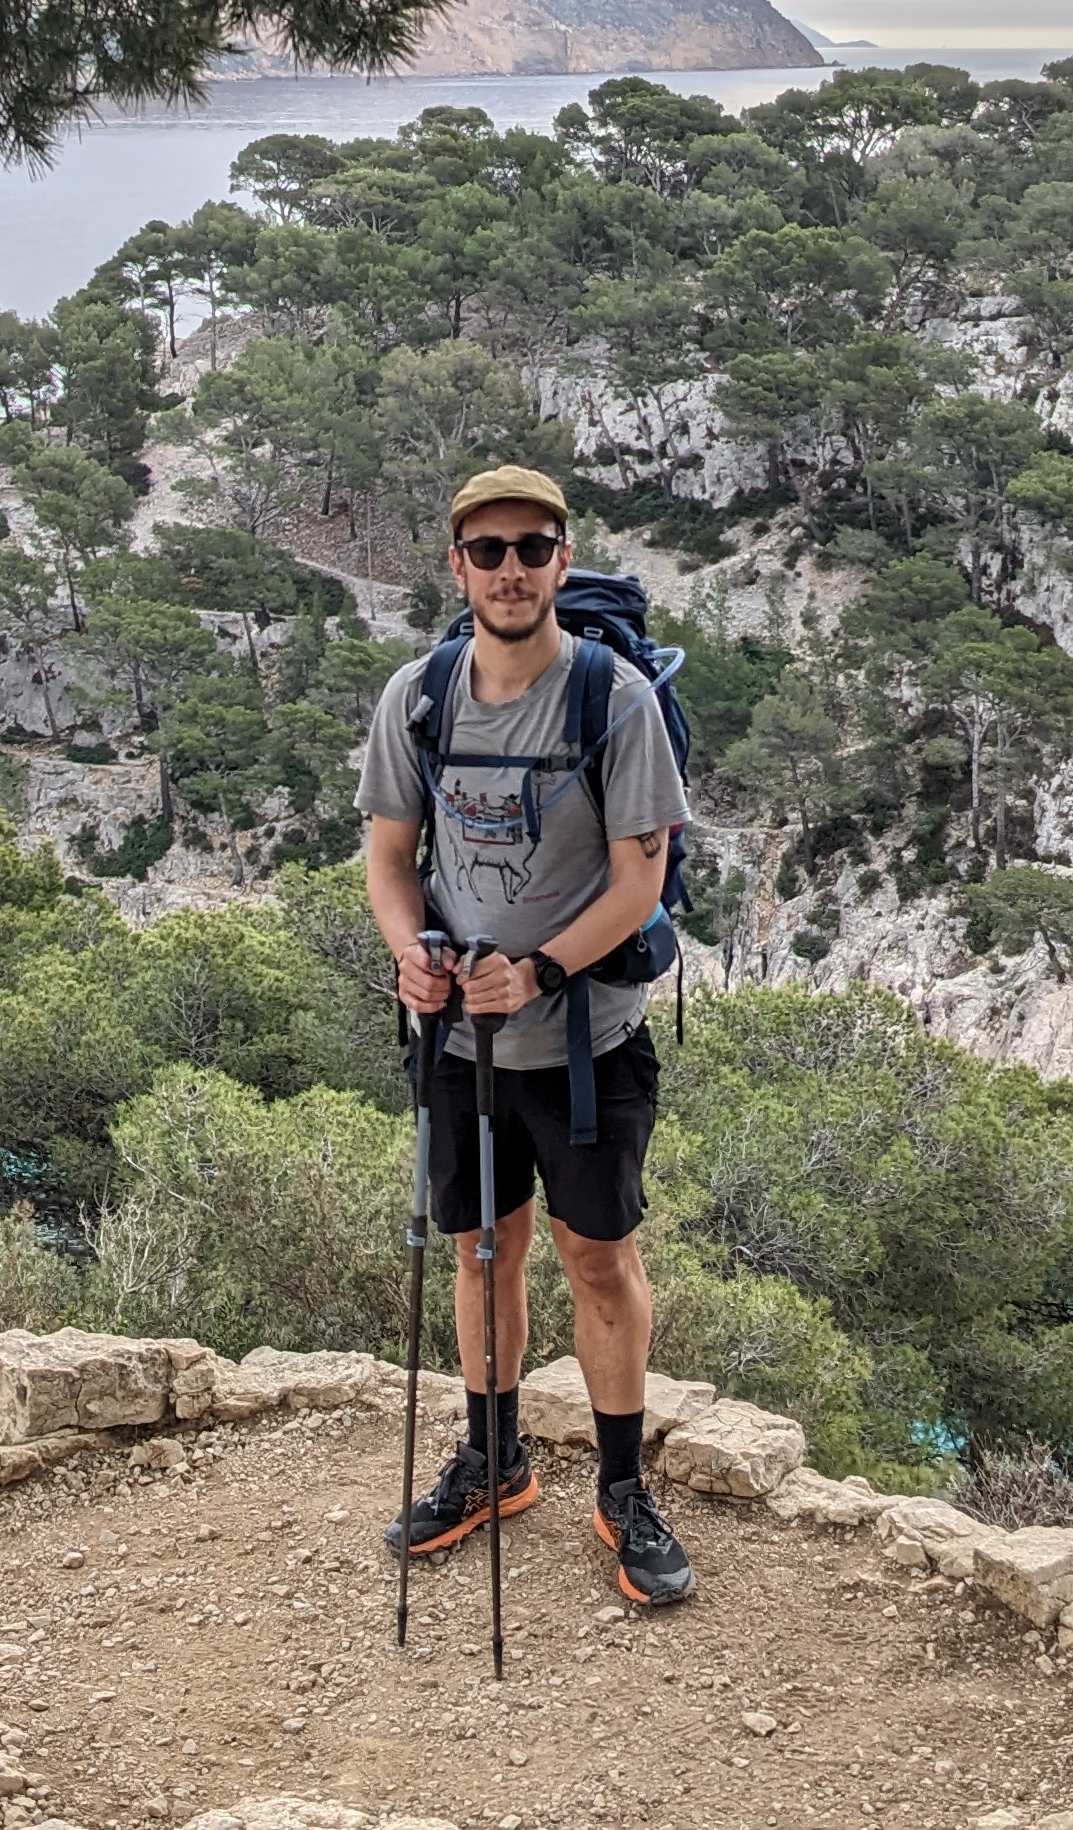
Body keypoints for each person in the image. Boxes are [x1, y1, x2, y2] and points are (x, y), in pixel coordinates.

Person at [357, 464, 697, 1608]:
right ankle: (495, 1459)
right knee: (479, 1248)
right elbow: (391, 856)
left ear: (561, 559)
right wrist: (411, 953)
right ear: (457, 566)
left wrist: (543, 969)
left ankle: (620, 1485)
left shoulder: (614, 700)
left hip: (588, 1042)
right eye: (488, 550)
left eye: (532, 548)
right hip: (457, 1042)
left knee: (596, 1257)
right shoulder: (419, 695)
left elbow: (639, 877)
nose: (510, 569)